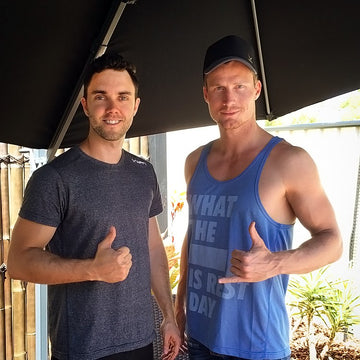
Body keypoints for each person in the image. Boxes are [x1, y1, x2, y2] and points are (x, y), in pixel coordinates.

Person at [174, 35, 343, 360]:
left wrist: (275, 263)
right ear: (205, 94)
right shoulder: (194, 161)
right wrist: (180, 303)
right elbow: (195, 236)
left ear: (257, 89)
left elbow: (332, 240)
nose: (229, 99)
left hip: (257, 345)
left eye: (239, 86)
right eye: (219, 88)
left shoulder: (289, 161)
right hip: (198, 337)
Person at [7, 53, 180, 360]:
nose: (113, 108)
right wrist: (93, 270)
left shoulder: (144, 172)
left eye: (123, 97)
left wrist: (168, 315)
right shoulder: (55, 178)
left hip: (141, 339)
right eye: (101, 97)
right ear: (85, 105)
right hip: (83, 348)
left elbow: (152, 247)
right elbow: (19, 261)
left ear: (135, 106)